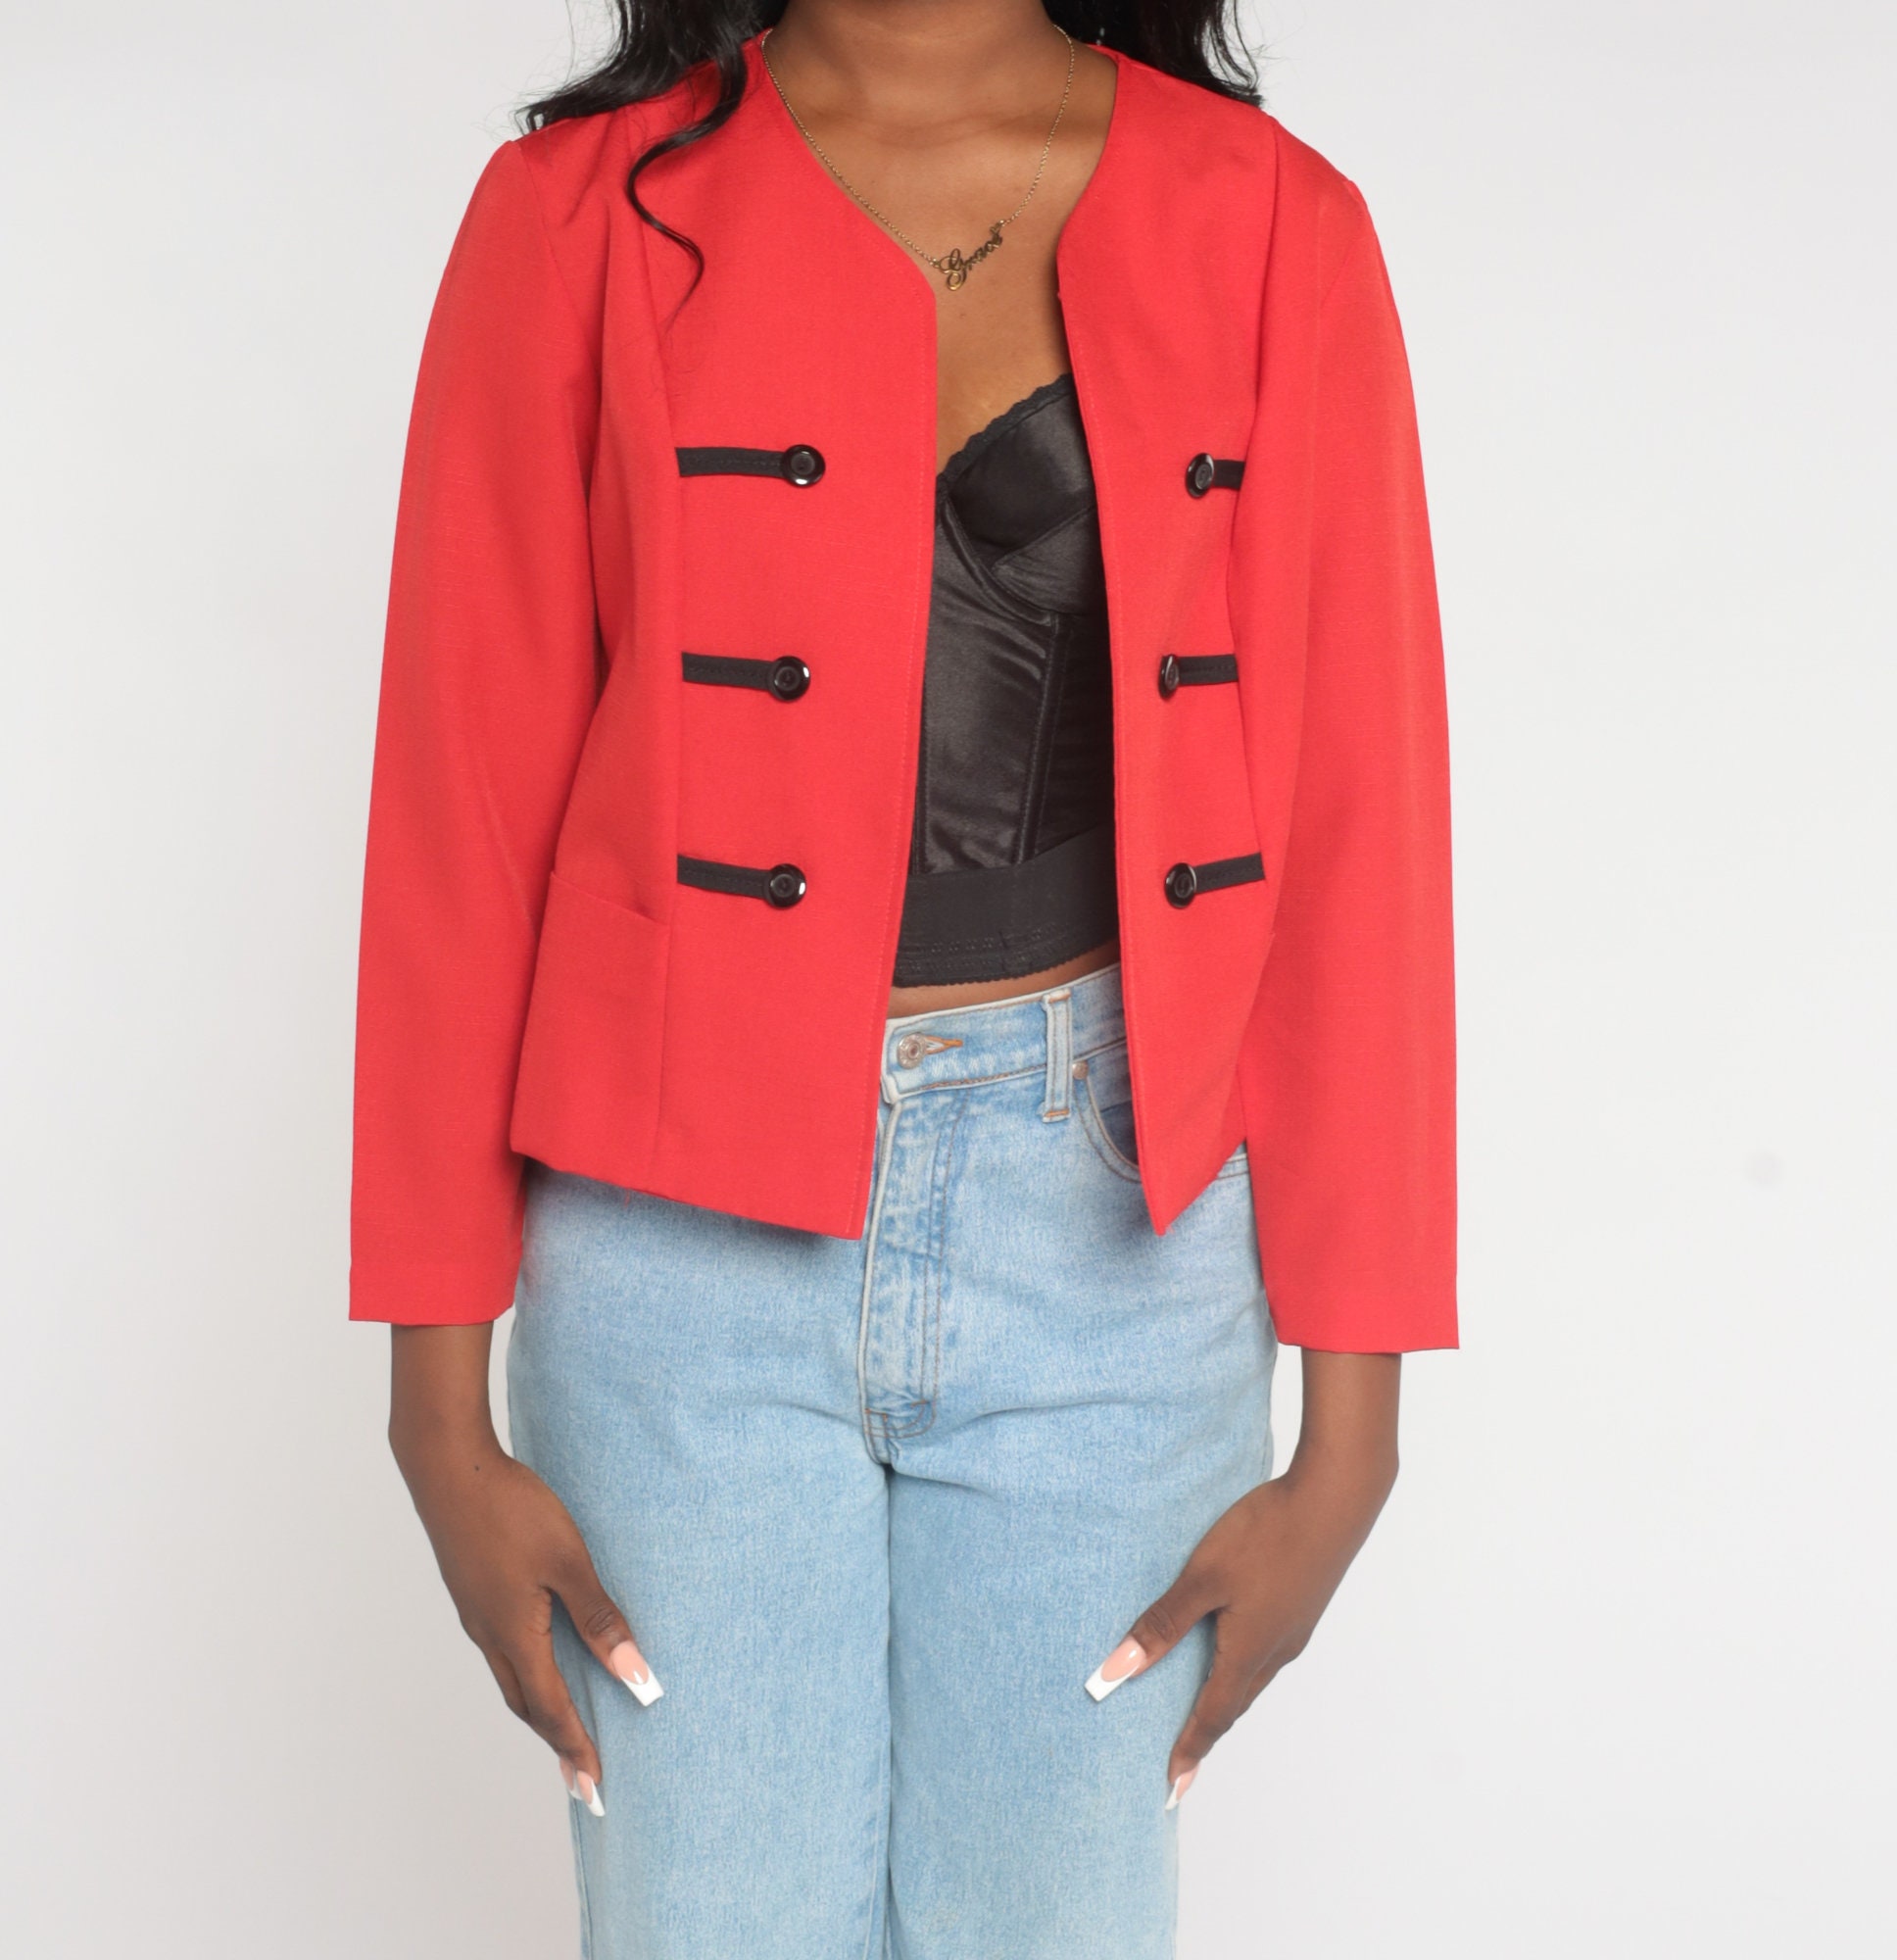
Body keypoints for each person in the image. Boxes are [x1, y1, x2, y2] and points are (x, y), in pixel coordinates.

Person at [352, 2, 1455, 1953]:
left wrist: (1352, 1426)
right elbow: (465, 804)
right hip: (668, 1240)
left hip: (1113, 1233)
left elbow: (1356, 812)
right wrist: (435, 1409)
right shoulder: (576, 213)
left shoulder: (1276, 221)